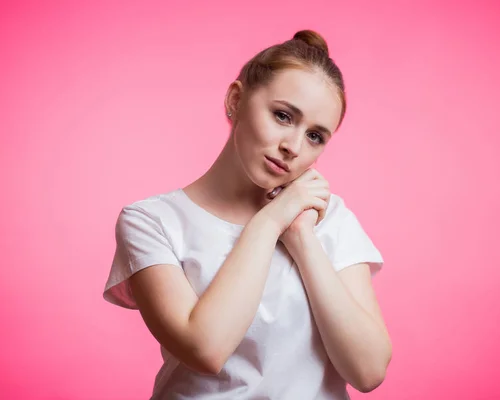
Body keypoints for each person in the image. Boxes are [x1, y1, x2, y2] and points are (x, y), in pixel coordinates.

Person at [103, 29, 392, 399]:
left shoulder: (328, 218)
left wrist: (301, 237)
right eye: (283, 116)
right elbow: (205, 348)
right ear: (236, 99)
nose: (292, 147)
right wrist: (271, 221)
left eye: (315, 136)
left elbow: (368, 371)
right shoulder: (151, 222)